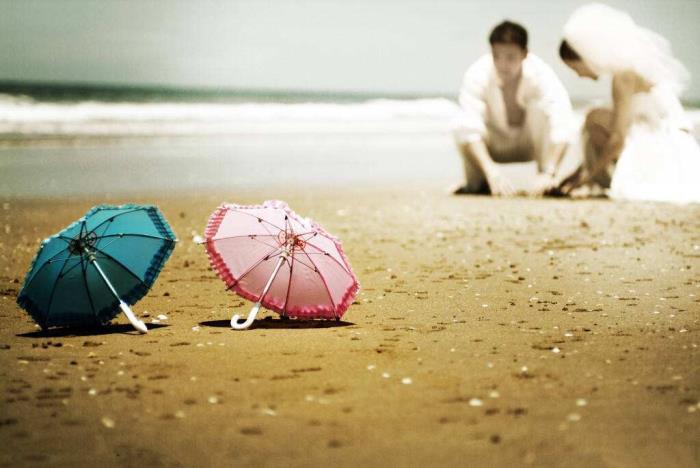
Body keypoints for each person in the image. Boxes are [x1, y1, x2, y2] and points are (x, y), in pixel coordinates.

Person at [557, 3, 700, 203]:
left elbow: (618, 140)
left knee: (594, 118)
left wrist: (585, 178)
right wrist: (577, 173)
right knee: (597, 116)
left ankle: (598, 181)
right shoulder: (630, 69)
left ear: (586, 56)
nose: (579, 75)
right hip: (677, 143)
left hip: (664, 146)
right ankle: (597, 179)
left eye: (575, 68)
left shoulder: (623, 76)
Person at [452, 20, 574, 196]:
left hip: (530, 144)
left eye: (510, 57)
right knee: (460, 122)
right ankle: (478, 182)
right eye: (496, 56)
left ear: (525, 54)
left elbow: (563, 121)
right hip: (493, 145)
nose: (503, 64)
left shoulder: (541, 74)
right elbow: (468, 127)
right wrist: (492, 173)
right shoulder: (477, 73)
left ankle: (546, 180)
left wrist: (550, 172)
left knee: (544, 110)